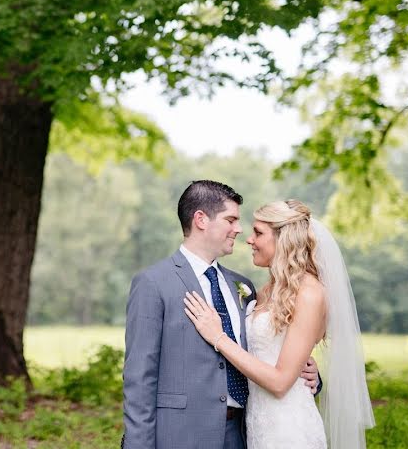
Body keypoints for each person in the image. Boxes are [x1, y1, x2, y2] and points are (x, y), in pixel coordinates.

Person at [122, 181, 320, 449]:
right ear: (201, 220)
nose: (239, 230)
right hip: (180, 435)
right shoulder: (153, 283)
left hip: (243, 433)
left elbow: (271, 349)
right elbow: (139, 379)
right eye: (231, 219)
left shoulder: (244, 287)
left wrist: (310, 376)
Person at [184, 200, 374, 449]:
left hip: (289, 429)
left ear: (284, 239)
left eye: (259, 233)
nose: (249, 239)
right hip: (257, 425)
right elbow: (270, 352)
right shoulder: (265, 291)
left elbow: (280, 382)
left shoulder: (310, 293)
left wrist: (218, 338)